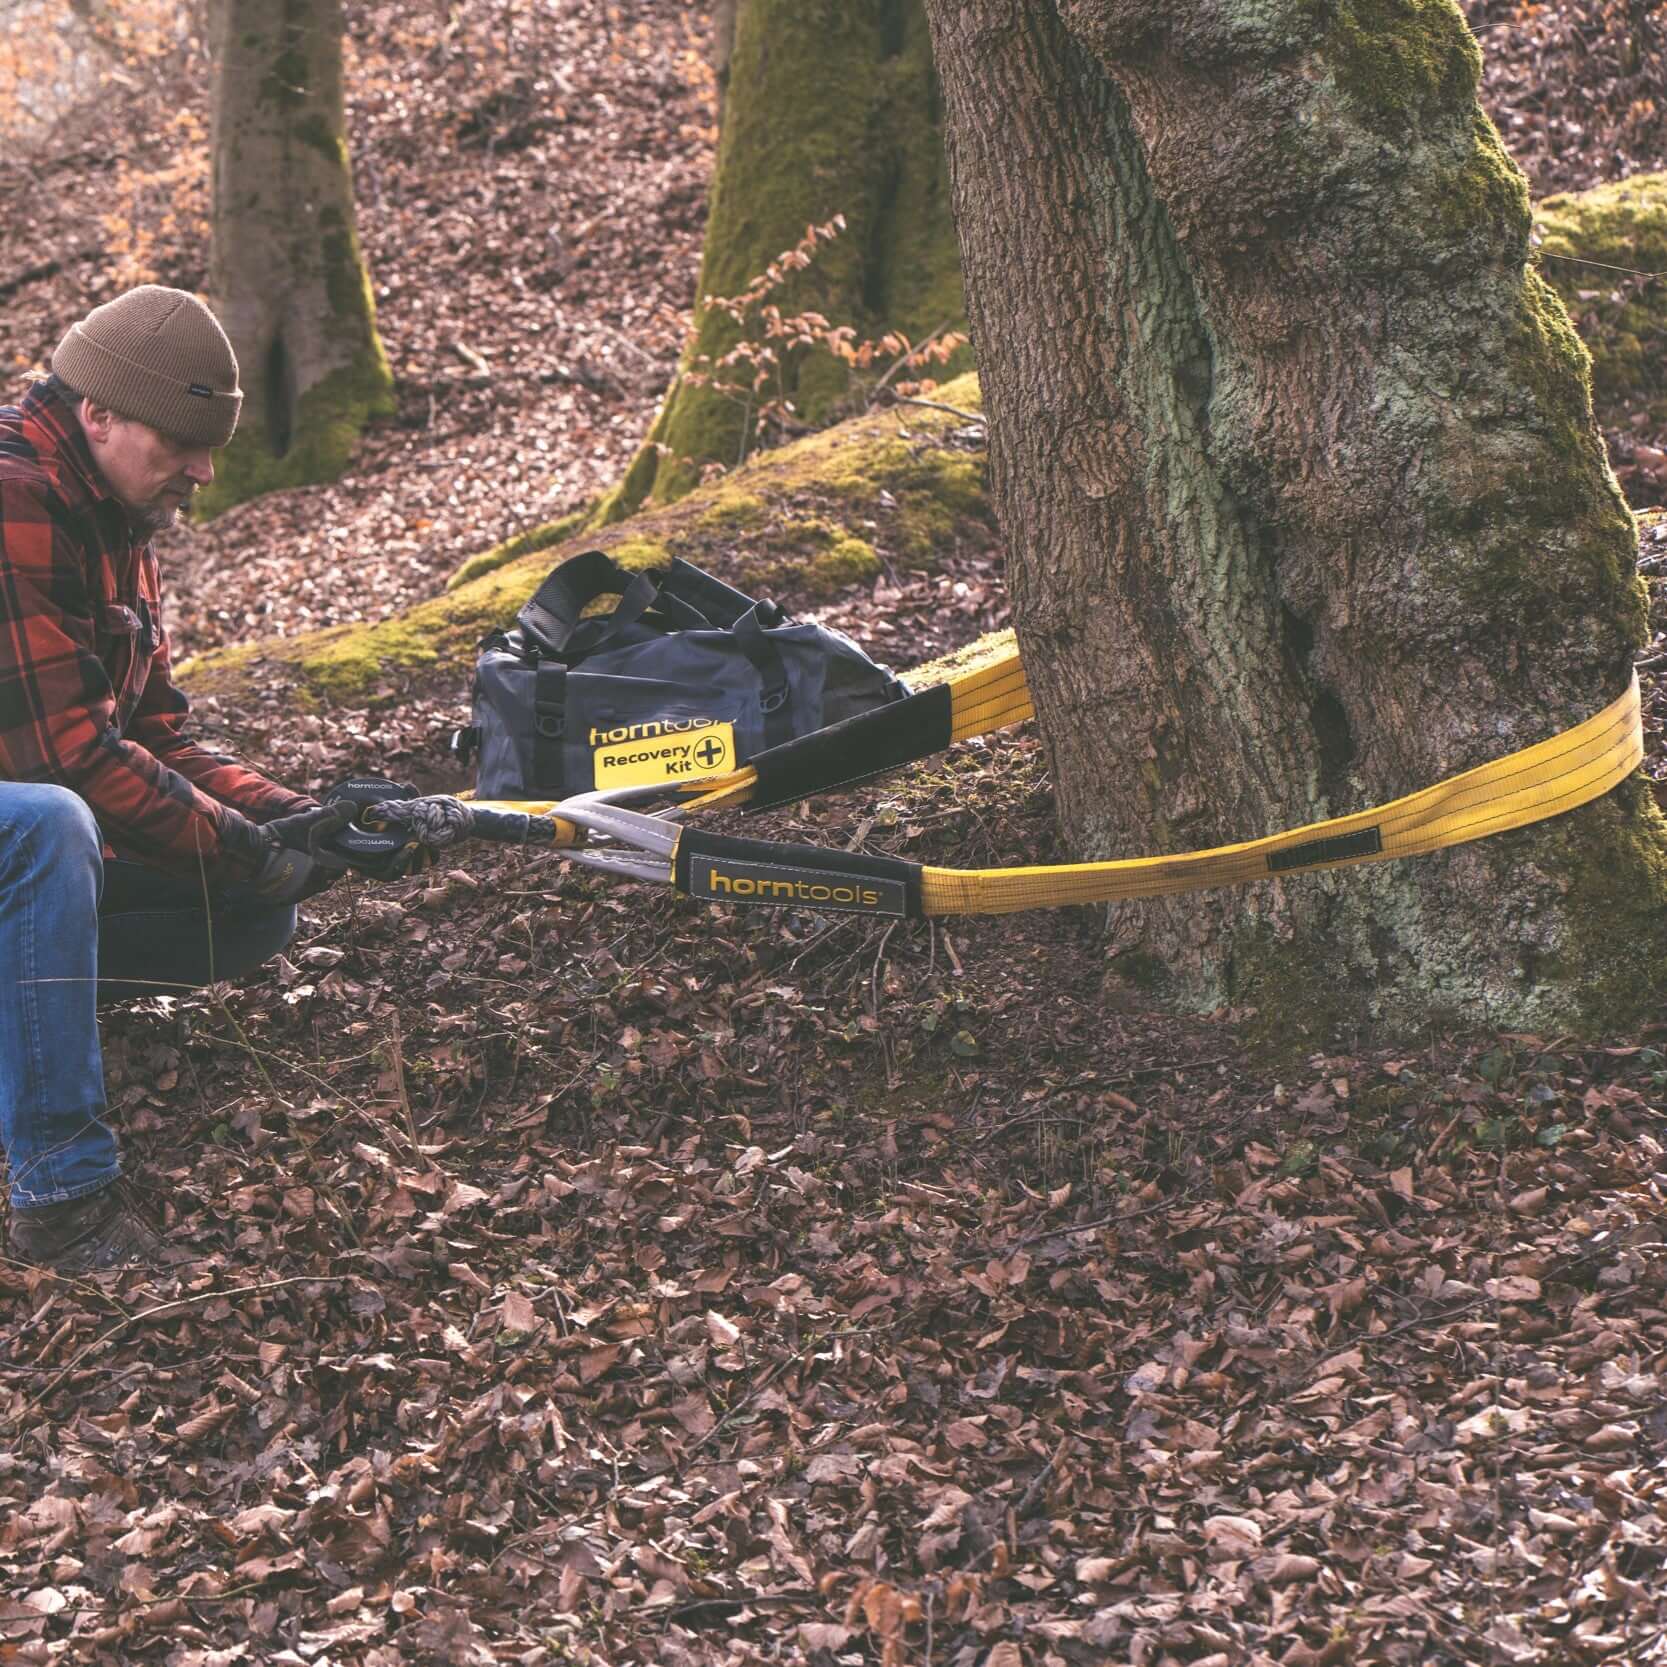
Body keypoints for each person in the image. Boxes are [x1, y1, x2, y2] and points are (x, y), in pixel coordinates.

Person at [0, 285, 350, 1275]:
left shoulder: (114, 510)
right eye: (179, 443)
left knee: (247, 914)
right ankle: (62, 1195)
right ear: (97, 413)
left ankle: (29, 1027)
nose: (201, 469)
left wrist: (300, 823)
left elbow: (154, 734)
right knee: (46, 825)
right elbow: (62, 755)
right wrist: (245, 847)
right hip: (20, 821)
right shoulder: (11, 497)